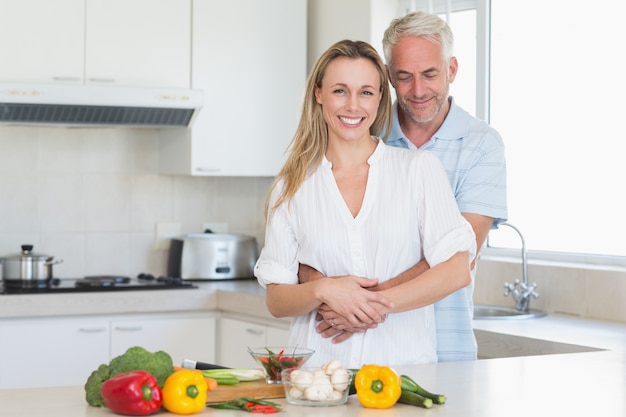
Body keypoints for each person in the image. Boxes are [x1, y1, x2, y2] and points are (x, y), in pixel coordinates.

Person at [253, 39, 476, 368]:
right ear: (319, 94)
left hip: (403, 375)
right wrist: (325, 291)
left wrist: (372, 305)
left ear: (380, 98)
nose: (353, 106)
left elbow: (456, 271)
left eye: (366, 92)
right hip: (317, 379)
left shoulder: (418, 169)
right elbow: (276, 299)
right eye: (340, 91)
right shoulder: (291, 186)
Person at [303, 11, 508, 362]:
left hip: (445, 345)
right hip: (345, 347)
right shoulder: (359, 132)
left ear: (452, 70)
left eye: (430, 74)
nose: (417, 90)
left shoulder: (482, 144)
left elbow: (461, 255)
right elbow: (303, 242)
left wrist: (359, 306)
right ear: (388, 77)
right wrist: (334, 296)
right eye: (404, 76)